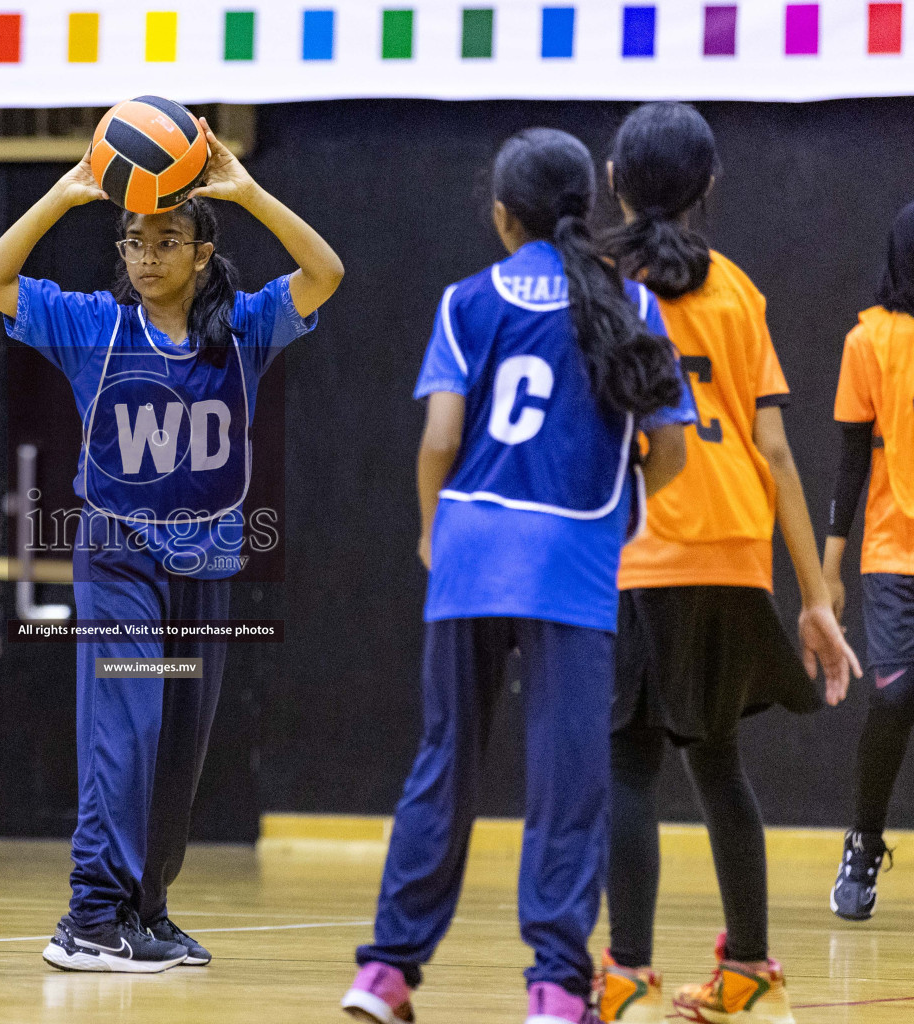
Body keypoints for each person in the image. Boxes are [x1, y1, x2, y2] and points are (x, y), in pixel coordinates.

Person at [0, 112, 343, 972]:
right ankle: (88, 920)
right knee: (127, 731)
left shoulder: (245, 328)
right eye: (134, 241)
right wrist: (63, 193)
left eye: (166, 240)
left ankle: (146, 913)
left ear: (201, 253)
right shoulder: (92, 326)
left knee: (180, 745)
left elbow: (326, 271)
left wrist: (249, 192)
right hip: (117, 556)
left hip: (206, 562)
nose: (145, 255)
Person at [342, 127, 693, 1024]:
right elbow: (672, 455)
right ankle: (553, 986)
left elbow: (440, 442)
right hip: (572, 559)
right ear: (587, 202)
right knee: (567, 784)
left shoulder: (466, 302)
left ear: (503, 217)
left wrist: (433, 534)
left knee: (443, 765)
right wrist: (624, 508)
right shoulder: (633, 304)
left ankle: (383, 973)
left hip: (467, 555)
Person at [593, 102, 859, 1024]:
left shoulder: (595, 284)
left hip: (635, 551)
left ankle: (624, 970)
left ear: (615, 180)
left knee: (625, 764)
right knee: (716, 759)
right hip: (735, 555)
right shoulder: (739, 291)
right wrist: (817, 598)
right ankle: (748, 964)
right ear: (709, 186)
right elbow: (776, 454)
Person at [824, 199, 914, 922]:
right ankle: (864, 838)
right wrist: (828, 571)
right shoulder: (869, 342)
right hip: (894, 552)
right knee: (892, 697)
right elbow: (852, 462)